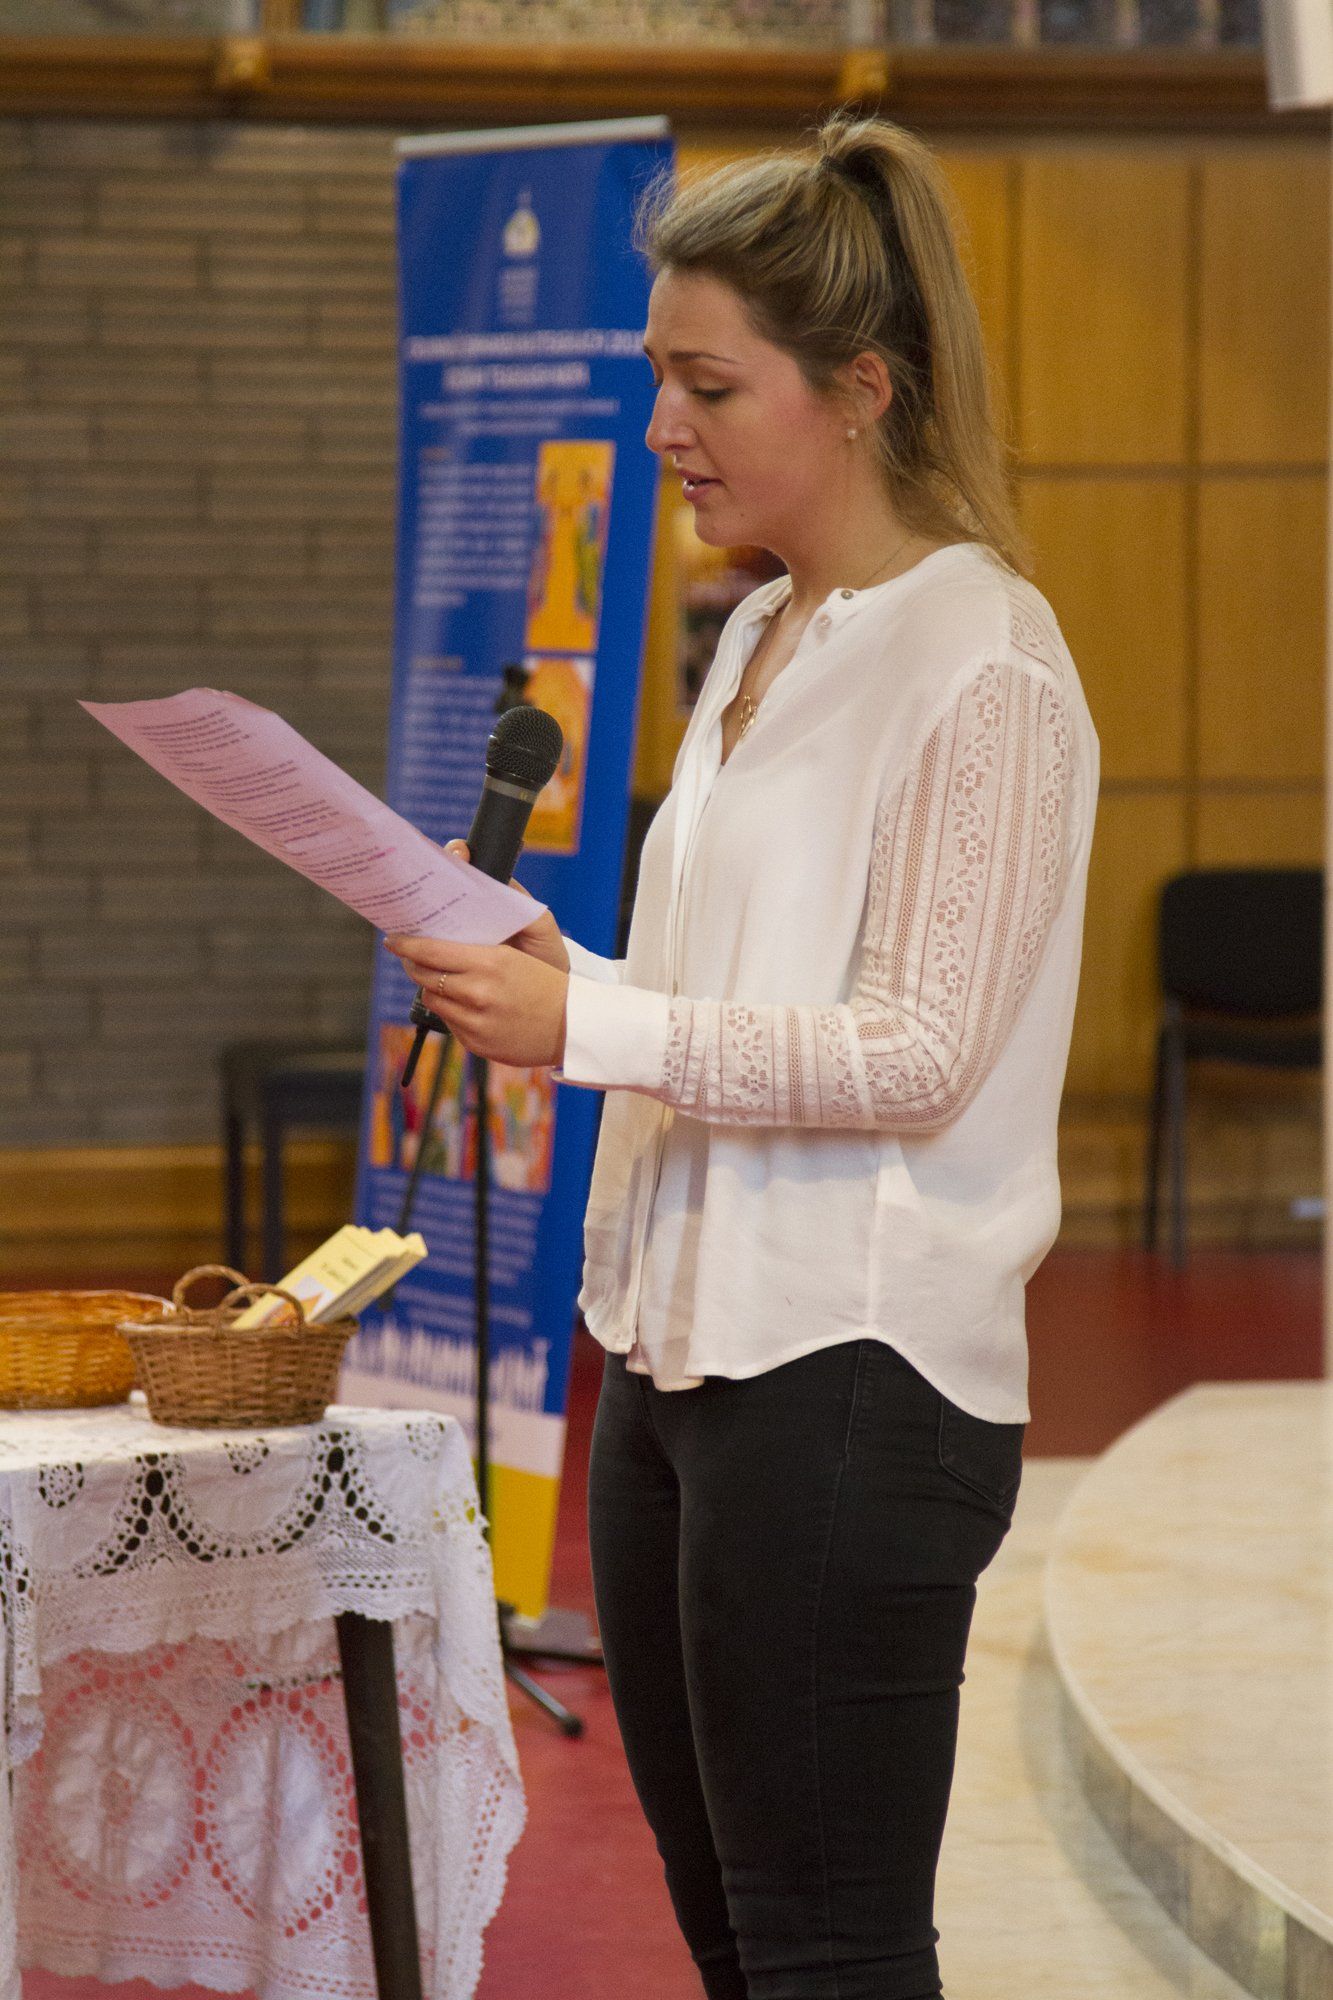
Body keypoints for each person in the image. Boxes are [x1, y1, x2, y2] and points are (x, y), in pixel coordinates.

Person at [387, 111, 1099, 2000]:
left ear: (859, 389)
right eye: (655, 379)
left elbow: (917, 1050)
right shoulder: (768, 628)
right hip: (677, 1345)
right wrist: (564, 972)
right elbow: (745, 989)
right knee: (734, 1939)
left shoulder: (985, 658)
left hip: (852, 1370)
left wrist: (596, 1025)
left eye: (709, 385)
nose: (662, 431)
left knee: (827, 1948)